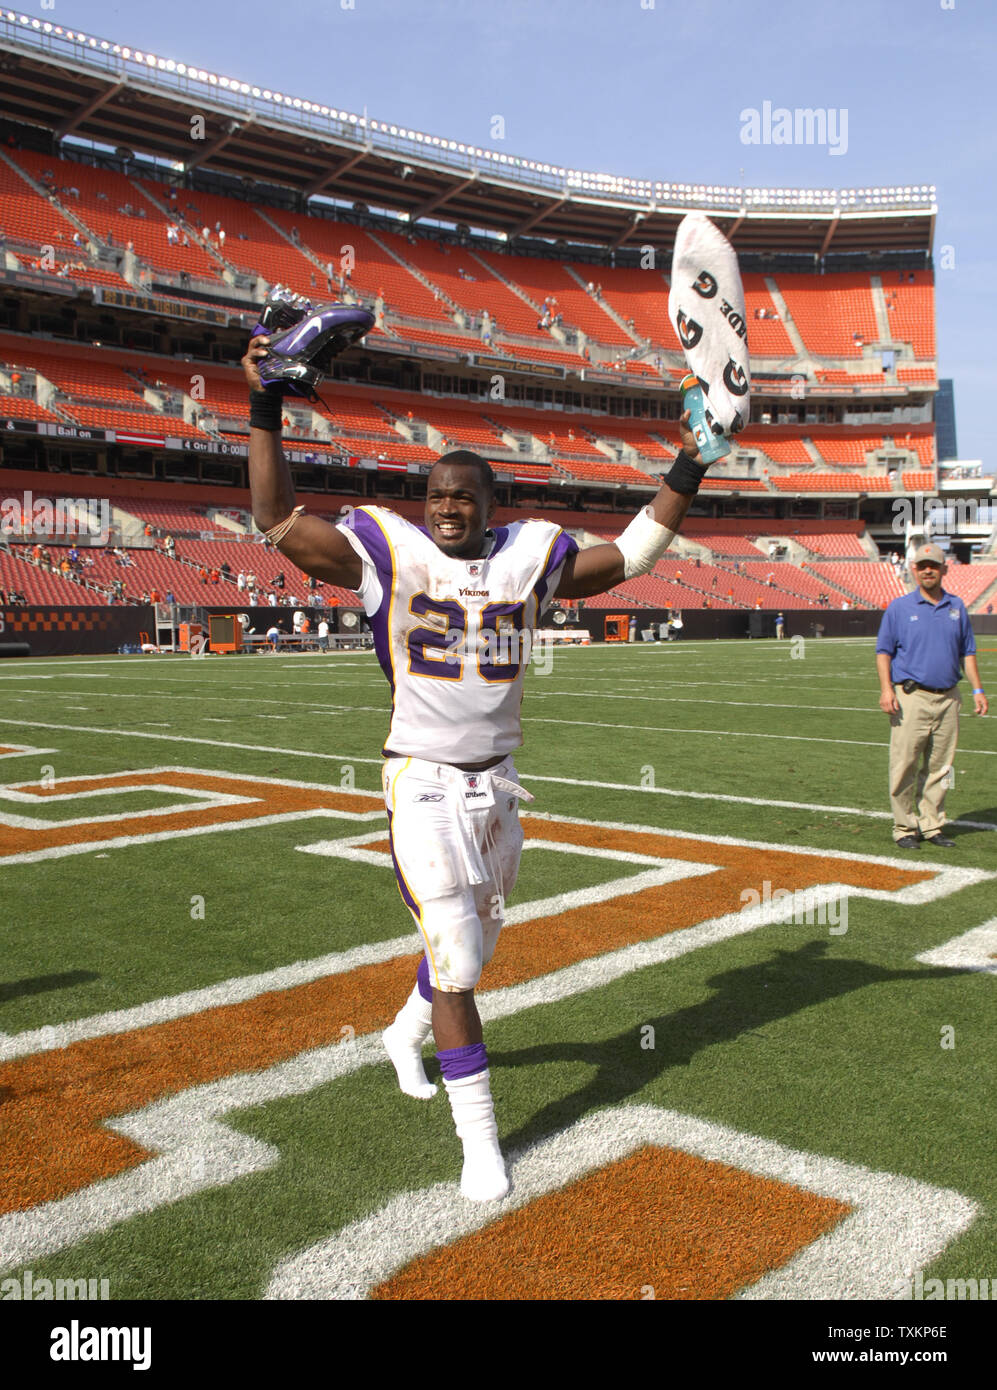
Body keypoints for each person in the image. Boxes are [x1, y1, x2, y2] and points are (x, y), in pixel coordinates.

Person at [242, 329, 712, 1204]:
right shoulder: (389, 551)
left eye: (462, 495)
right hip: (419, 778)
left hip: (496, 784)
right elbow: (277, 521)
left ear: (489, 503)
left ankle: (401, 1032)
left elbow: (632, 557)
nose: (447, 506)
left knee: (475, 945)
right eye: (436, 494)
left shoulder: (530, 557)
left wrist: (690, 461)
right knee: (457, 955)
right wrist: (265, 406)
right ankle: (481, 1142)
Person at [875, 543, 988, 849]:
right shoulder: (899, 607)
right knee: (905, 764)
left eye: (934, 566)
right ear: (914, 569)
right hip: (911, 697)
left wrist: (977, 689)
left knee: (941, 766)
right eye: (923, 565)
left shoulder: (957, 606)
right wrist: (887, 689)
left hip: (949, 697)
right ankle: (904, 827)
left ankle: (932, 824)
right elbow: (883, 652)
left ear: (944, 570)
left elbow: (968, 652)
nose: (928, 570)